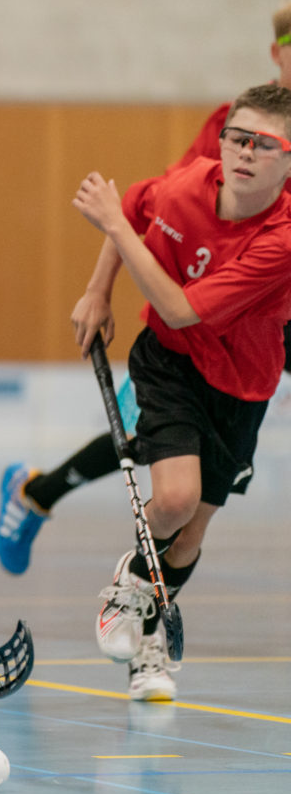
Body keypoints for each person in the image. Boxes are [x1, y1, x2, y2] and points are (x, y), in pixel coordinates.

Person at [0, 0, 291, 578]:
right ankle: (42, 495)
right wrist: (98, 289)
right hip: (202, 309)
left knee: (188, 464)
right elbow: (148, 206)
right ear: (277, 54)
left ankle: (45, 495)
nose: (247, 151)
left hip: (267, 308)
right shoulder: (237, 127)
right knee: (157, 440)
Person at [62, 84, 291, 703]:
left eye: (265, 144)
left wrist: (114, 224)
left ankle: (145, 636)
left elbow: (180, 305)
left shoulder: (282, 239)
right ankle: (132, 591)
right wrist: (97, 292)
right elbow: (133, 212)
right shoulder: (186, 186)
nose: (245, 152)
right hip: (170, 362)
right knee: (174, 500)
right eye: (236, 137)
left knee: (191, 533)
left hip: (242, 386)